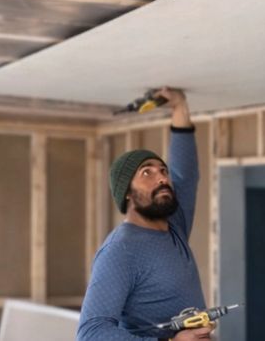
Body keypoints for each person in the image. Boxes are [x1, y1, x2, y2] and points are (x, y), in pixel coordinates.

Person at [77, 88, 213, 341]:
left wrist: (179, 107)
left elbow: (185, 174)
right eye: (147, 173)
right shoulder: (121, 250)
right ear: (126, 193)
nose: (162, 177)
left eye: (162, 170)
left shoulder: (174, 226)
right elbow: (91, 333)